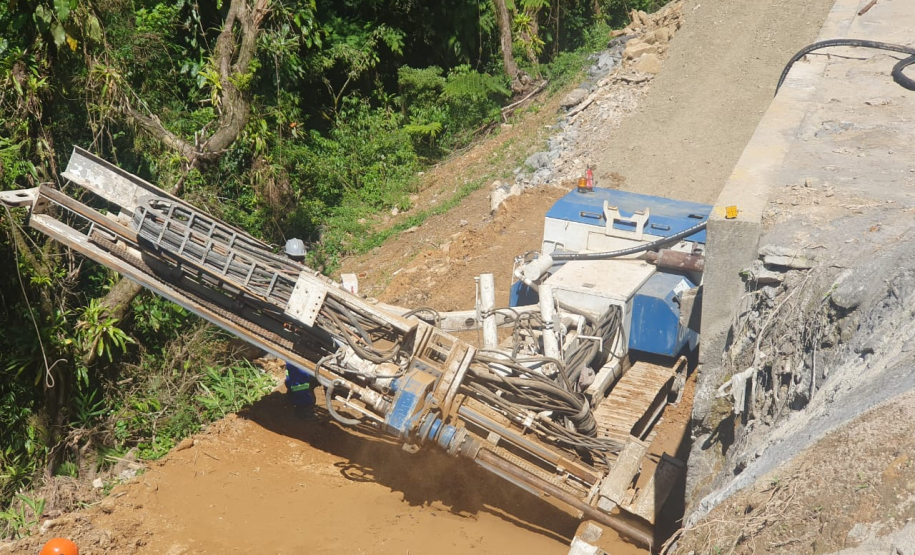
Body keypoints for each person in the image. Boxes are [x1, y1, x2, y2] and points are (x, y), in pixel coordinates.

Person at [283, 238, 319, 419]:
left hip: (304, 332)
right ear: (286, 257)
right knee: (299, 370)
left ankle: (294, 393)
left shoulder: (308, 279)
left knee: (297, 370)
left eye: (300, 259)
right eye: (293, 259)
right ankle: (303, 407)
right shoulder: (281, 279)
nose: (298, 263)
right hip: (292, 333)